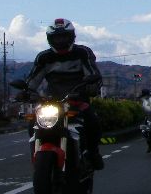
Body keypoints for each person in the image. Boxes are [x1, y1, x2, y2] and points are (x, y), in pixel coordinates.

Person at [21, 18, 104, 170]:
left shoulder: (82, 53)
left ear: (71, 37)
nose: (60, 40)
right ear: (50, 39)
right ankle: (37, 156)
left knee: (92, 121)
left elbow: (93, 73)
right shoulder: (44, 57)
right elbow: (33, 80)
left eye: (64, 36)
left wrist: (92, 87)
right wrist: (25, 92)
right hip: (51, 101)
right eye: (56, 37)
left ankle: (93, 153)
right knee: (32, 123)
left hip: (77, 100)